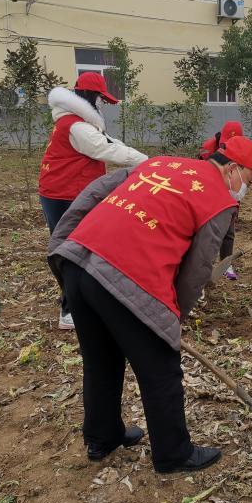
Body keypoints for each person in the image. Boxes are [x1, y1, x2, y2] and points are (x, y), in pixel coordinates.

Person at [47, 136, 252, 473]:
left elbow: (91, 195)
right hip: (126, 275)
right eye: (249, 180)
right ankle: (174, 454)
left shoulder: (159, 162)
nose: (244, 191)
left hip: (79, 260)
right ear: (233, 169)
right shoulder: (219, 202)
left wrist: (61, 245)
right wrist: (171, 317)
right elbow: (197, 272)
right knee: (161, 371)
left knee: (100, 361)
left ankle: (101, 438)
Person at [39, 72, 148, 330]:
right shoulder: (76, 126)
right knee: (73, 250)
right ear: (90, 97)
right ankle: (70, 310)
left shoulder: (76, 122)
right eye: (101, 99)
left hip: (62, 191)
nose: (102, 104)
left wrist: (141, 156)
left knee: (75, 247)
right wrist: (145, 161)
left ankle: (78, 299)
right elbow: (107, 149)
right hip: (65, 194)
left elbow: (108, 141)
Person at [199, 121, 244, 280]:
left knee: (229, 231)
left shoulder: (242, 149)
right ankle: (202, 266)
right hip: (209, 190)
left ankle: (226, 264)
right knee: (208, 231)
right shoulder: (208, 148)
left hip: (229, 192)